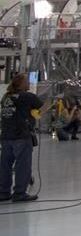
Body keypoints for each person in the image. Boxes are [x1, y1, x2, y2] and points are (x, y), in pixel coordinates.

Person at [0, 73, 44, 202]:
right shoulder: (28, 96)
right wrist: (36, 115)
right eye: (27, 81)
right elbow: (42, 108)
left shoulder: (6, 97)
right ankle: (19, 193)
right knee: (22, 165)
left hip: (6, 136)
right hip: (21, 136)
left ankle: (3, 192)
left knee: (5, 165)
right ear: (22, 84)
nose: (29, 83)